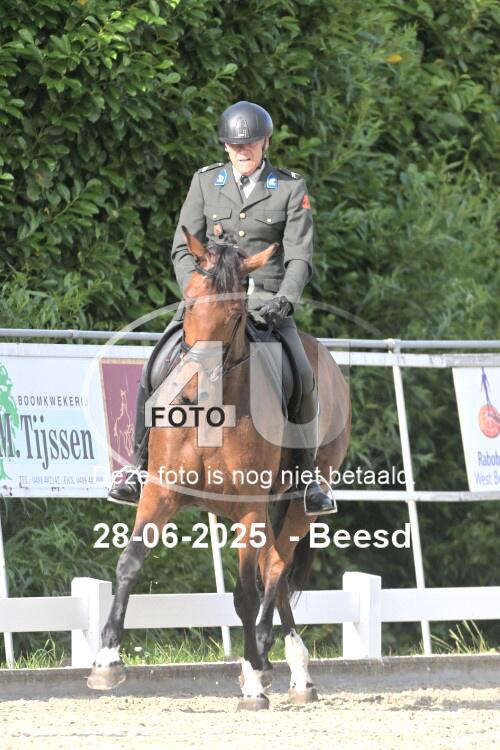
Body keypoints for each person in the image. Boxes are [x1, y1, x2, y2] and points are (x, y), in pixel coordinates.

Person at [109, 101, 335, 515]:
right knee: (154, 368)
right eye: (236, 145)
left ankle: (306, 478)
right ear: (226, 146)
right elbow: (183, 247)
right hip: (208, 304)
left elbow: (300, 257)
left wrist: (286, 298)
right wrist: (195, 292)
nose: (243, 151)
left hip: (266, 304)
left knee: (302, 375)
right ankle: (137, 467)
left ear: (265, 143)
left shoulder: (289, 188)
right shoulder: (205, 182)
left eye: (250, 144)